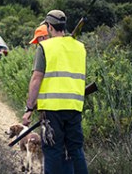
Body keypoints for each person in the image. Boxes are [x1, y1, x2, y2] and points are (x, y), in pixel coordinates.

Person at [22, 10, 88, 174]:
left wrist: (29, 108)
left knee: (52, 150)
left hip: (52, 109)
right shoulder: (80, 47)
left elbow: (37, 78)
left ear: (49, 27)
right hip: (74, 106)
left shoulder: (45, 46)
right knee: (75, 150)